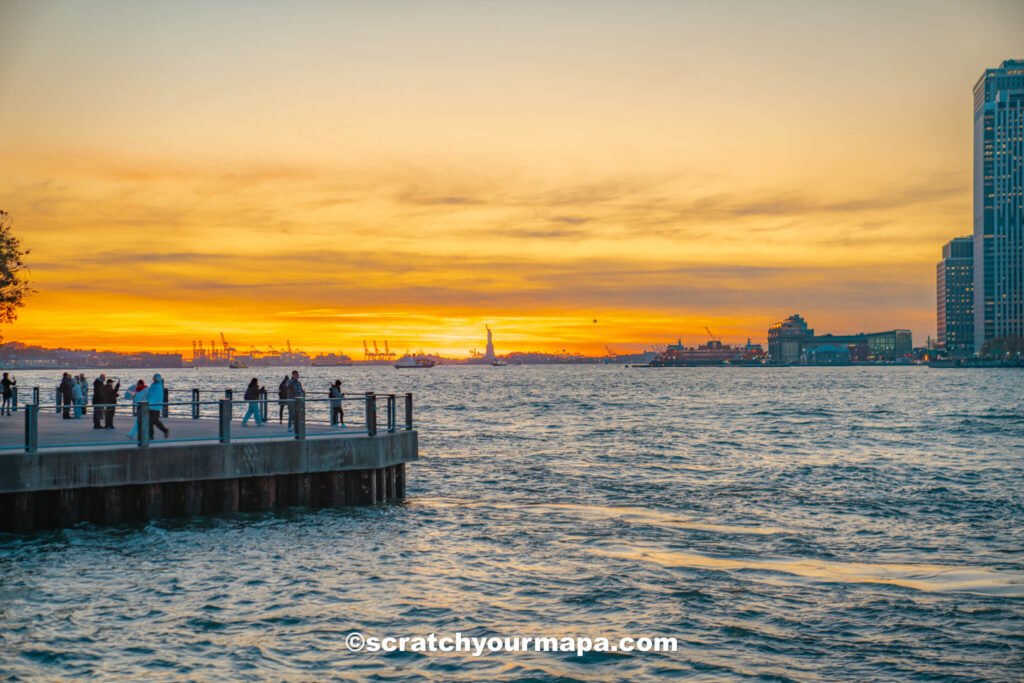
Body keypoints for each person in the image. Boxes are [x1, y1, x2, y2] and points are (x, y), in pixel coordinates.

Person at [148, 373, 169, 439]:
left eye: (155, 378)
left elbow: (156, 396)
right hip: (151, 406)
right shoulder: (153, 385)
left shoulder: (158, 386)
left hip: (155, 406)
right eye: (153, 378)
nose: (153, 379)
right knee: (151, 421)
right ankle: (151, 435)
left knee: (153, 421)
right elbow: (150, 394)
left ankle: (164, 430)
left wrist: (150, 402)